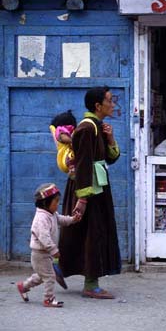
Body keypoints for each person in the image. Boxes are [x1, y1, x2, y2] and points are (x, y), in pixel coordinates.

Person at [59, 86, 121, 299]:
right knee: (92, 234)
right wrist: (83, 198)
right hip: (87, 190)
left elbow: (110, 158)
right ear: (98, 105)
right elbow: (84, 163)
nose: (113, 104)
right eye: (110, 100)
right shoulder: (87, 129)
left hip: (96, 188)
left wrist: (111, 139)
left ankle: (60, 265)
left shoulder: (98, 126)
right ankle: (90, 284)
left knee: (80, 233)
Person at [16, 183, 77, 308]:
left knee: (41, 276)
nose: (58, 204)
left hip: (45, 254)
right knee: (49, 277)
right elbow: (44, 237)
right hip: (40, 254)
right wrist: (54, 250)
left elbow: (61, 219)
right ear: (45, 203)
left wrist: (73, 219)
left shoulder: (52, 214)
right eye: (55, 202)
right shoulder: (41, 219)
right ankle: (48, 299)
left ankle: (23, 286)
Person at [50, 110, 77, 179]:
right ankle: (73, 170)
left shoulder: (69, 130)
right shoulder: (60, 130)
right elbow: (62, 137)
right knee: (71, 159)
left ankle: (73, 170)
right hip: (66, 158)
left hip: (64, 160)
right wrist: (73, 141)